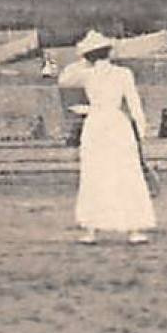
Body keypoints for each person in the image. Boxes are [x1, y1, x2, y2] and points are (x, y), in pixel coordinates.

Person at [59, 30, 156, 245]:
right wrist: (141, 130)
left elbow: (64, 78)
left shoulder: (86, 74)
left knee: (95, 174)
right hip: (117, 124)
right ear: (108, 52)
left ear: (88, 56)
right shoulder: (123, 74)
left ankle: (91, 230)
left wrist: (83, 62)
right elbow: (134, 104)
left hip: (95, 124)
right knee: (126, 173)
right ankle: (134, 229)